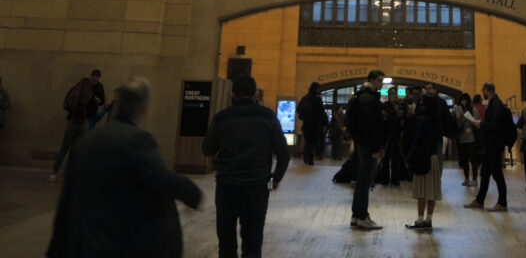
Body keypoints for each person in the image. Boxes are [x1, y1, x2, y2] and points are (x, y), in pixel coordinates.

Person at [46, 76, 202, 258]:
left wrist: (56, 248)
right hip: (116, 241)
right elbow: (162, 177)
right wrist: (192, 193)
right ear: (143, 107)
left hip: (87, 241)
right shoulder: (137, 140)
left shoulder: (85, 142)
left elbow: (67, 198)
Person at [203, 73, 290, 258]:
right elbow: (284, 153)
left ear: (232, 94)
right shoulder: (268, 117)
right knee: (253, 240)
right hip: (258, 186)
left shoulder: (221, 118)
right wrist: (275, 179)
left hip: (226, 186)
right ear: (254, 94)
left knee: (226, 241)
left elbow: (207, 148)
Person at [346, 69, 386, 231]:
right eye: (379, 81)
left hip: (362, 144)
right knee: (365, 182)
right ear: (371, 80)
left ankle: (357, 216)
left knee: (361, 181)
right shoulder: (369, 99)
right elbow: (372, 126)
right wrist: (377, 147)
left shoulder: (359, 96)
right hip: (369, 146)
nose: (381, 84)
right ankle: (362, 216)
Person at [464, 80, 509, 212]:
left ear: (487, 90)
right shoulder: (494, 104)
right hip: (491, 145)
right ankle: (479, 200)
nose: (482, 93)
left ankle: (502, 202)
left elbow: (496, 125)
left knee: (497, 174)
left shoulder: (496, 105)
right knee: (485, 173)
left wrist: (481, 124)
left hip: (494, 145)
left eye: (483, 90)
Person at [405, 90, 443, 231]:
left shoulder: (423, 120)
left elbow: (417, 141)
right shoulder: (437, 120)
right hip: (433, 159)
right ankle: (429, 219)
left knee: (421, 192)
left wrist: (408, 158)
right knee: (431, 192)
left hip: (422, 158)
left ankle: (419, 220)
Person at [50, 72, 98, 180]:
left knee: (64, 148)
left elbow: (66, 105)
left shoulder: (73, 93)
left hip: (72, 123)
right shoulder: (90, 96)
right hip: (84, 124)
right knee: (79, 150)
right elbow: (94, 112)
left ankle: (54, 172)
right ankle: (71, 172)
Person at [297, 80, 327, 165]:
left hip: (306, 124)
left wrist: (304, 118)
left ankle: (307, 156)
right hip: (315, 124)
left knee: (308, 140)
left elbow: (298, 109)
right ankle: (310, 159)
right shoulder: (317, 99)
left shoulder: (305, 98)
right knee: (313, 141)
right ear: (316, 89)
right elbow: (321, 112)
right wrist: (324, 124)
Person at [379, 86, 404, 186]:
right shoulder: (384, 105)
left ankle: (395, 180)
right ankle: (384, 179)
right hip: (386, 135)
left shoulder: (400, 106)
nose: (392, 96)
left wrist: (395, 110)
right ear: (388, 95)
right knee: (385, 158)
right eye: (391, 94)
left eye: (394, 94)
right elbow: (384, 118)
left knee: (396, 159)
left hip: (397, 135)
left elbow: (401, 117)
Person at [453, 92, 480, 186]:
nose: (463, 102)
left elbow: (477, 122)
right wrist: (460, 118)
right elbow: (458, 125)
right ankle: (466, 178)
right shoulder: (458, 109)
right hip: (462, 137)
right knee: (464, 159)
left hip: (472, 137)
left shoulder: (473, 109)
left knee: (473, 159)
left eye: (465, 100)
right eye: (462, 100)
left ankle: (475, 179)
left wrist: (470, 118)